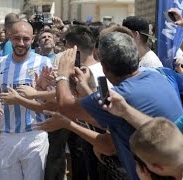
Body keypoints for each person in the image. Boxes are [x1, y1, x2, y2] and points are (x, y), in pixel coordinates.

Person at [38, 32, 183, 180]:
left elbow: (66, 106)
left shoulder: (120, 95)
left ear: (104, 68)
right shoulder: (158, 76)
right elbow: (109, 118)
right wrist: (86, 90)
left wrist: (62, 73)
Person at [0, 21, 52, 180]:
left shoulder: (44, 63)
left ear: (32, 39)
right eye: (17, 38)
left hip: (35, 135)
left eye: (26, 39)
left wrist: (41, 90)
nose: (21, 43)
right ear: (9, 37)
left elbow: (52, 104)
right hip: (7, 135)